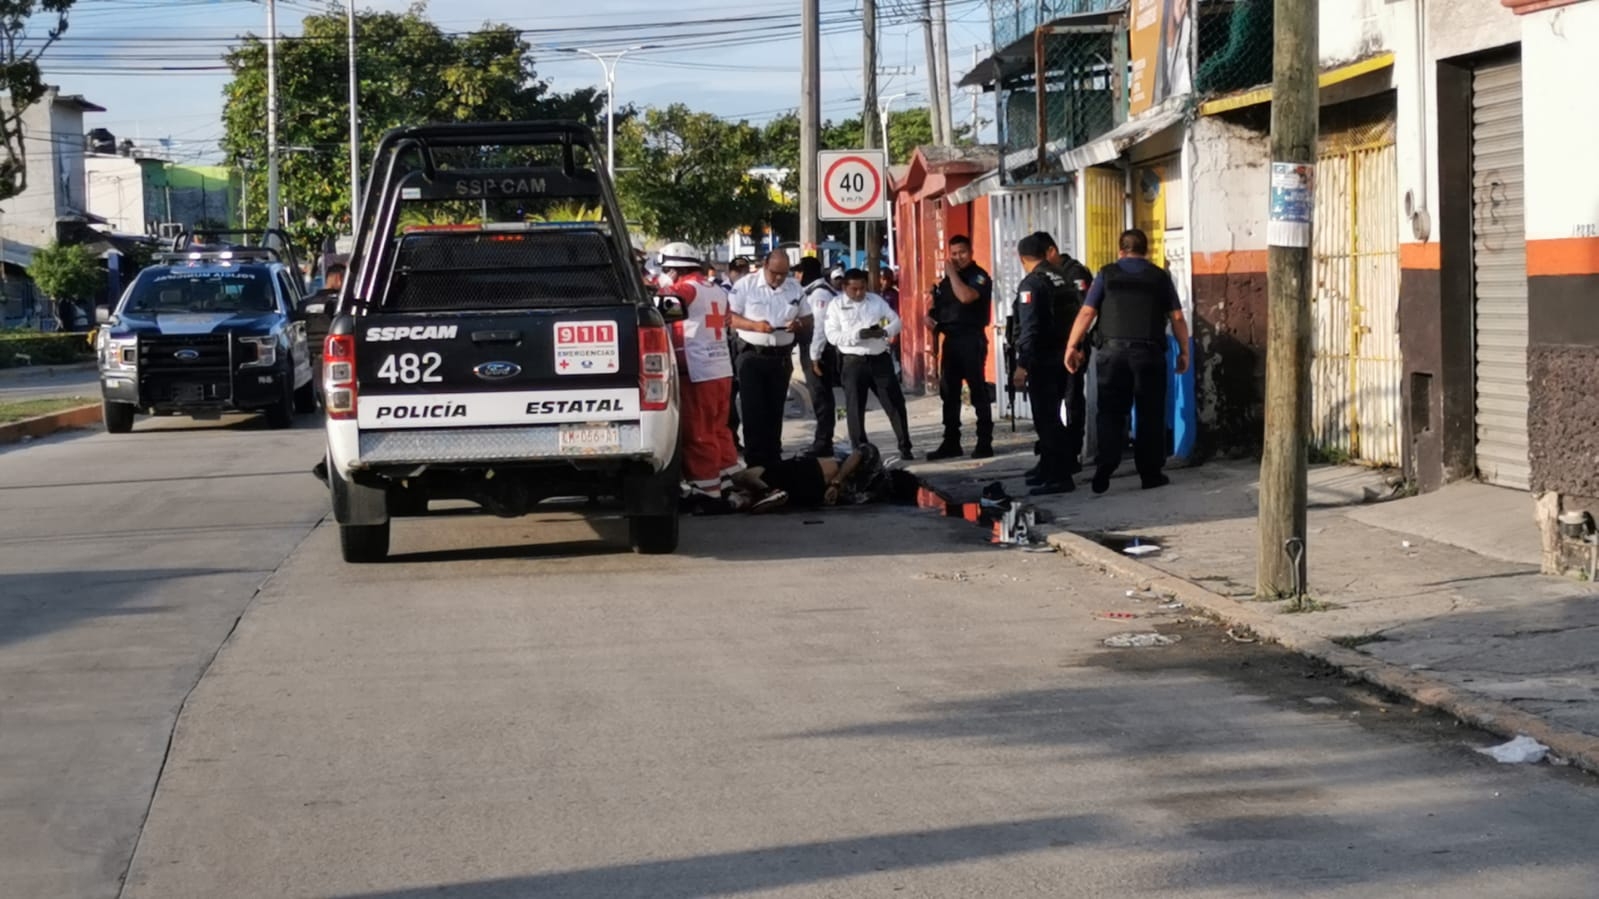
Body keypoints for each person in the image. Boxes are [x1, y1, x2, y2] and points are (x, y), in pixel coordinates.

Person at [1066, 228, 1191, 494]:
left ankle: (1105, 466)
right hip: (1149, 356)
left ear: (1120, 250)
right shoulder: (1159, 277)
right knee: (1150, 414)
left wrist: (1072, 345)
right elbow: (1178, 317)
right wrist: (1184, 351)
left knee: (1111, 411)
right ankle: (1150, 474)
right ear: (1146, 252)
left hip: (1112, 355)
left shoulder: (1107, 274)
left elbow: (1087, 312)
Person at [657, 243, 741, 513]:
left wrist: (658, 289)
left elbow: (659, 314)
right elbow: (725, 320)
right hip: (720, 369)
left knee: (699, 434)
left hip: (695, 370)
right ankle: (728, 482)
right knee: (719, 430)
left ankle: (709, 494)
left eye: (667, 270)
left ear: (674, 269)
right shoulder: (716, 288)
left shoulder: (684, 289)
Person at [1010, 234, 1081, 495]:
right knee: (1053, 416)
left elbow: (1029, 329)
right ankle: (1050, 469)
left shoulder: (1032, 284)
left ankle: (1059, 476)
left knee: (1047, 419)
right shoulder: (1061, 277)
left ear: (1021, 258)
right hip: (1063, 355)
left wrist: (1022, 365)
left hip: (1043, 359)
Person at [728, 251, 811, 468]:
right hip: (752, 355)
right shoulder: (746, 285)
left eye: (784, 273)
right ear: (765, 265)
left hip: (780, 358)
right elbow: (730, 317)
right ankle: (755, 463)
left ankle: (773, 461)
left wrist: (799, 324)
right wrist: (755, 325)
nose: (779, 278)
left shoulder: (794, 287)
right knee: (754, 411)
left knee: (775, 411)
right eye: (775, 273)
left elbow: (808, 317)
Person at [823, 269, 914, 459]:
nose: (858, 293)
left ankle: (905, 446)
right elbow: (832, 336)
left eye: (862, 288)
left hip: (879, 358)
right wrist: (856, 335)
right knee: (855, 407)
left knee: (894, 402)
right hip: (853, 361)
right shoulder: (836, 306)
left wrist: (884, 332)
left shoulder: (875, 301)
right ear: (845, 287)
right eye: (854, 289)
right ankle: (860, 452)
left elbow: (896, 321)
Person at [1028, 232, 1094, 482]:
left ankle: (1070, 455)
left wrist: (1077, 346)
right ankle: (1050, 458)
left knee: (1072, 399)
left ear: (1052, 252)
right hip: (1055, 350)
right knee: (1050, 408)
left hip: (1072, 348)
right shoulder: (1046, 277)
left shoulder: (1074, 273)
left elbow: (1084, 311)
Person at [926, 234, 995, 460]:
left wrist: (952, 273)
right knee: (950, 393)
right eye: (953, 254)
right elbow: (939, 311)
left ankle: (985, 441)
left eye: (962, 253)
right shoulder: (946, 282)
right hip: (951, 340)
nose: (957, 258)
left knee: (977, 390)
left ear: (971, 252)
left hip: (971, 338)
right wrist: (930, 318)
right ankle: (951, 441)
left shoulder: (979, 277)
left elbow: (966, 297)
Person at [727, 443, 918, 513]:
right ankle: (750, 498)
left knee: (741, 476)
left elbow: (863, 450)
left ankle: (765, 493)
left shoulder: (878, 471)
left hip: (812, 471)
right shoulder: (871, 497)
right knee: (746, 493)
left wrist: (836, 482)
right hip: (810, 495)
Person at [795, 256, 840, 456]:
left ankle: (823, 442)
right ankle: (822, 440)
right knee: (819, 397)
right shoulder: (812, 291)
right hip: (816, 350)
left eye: (799, 271)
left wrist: (814, 356)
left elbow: (819, 326)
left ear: (807, 272)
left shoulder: (820, 294)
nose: (796, 276)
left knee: (821, 397)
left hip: (819, 352)